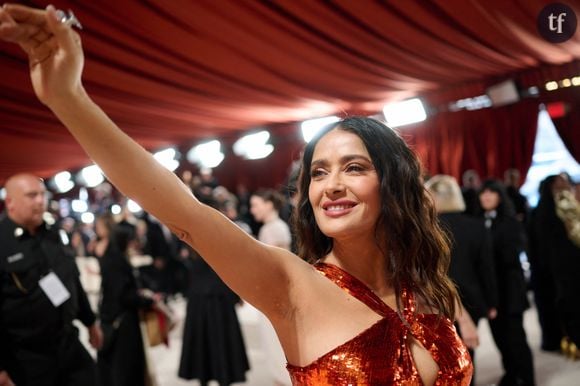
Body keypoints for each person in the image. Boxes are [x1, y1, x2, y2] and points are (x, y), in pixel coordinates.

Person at [0, 6, 472, 385]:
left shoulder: (426, 281)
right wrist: (69, 99)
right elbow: (182, 210)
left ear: (393, 184)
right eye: (318, 173)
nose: (331, 185)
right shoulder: (291, 284)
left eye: (354, 167)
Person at [0, 173, 101, 386]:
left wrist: (90, 322)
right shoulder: (2, 242)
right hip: (28, 358)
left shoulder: (54, 234)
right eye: (31, 195)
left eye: (42, 195)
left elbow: (72, 281)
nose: (40, 201)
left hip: (69, 344)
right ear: (10, 202)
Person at [426, 175, 498, 386]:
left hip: (435, 300)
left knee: (441, 360)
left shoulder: (425, 229)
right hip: (471, 299)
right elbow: (486, 269)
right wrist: (491, 302)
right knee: (467, 356)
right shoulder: (476, 226)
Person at [477, 180, 535, 386]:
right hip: (492, 293)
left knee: (516, 339)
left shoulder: (510, 222)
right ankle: (511, 374)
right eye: (483, 193)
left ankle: (527, 379)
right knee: (500, 338)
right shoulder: (479, 221)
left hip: (510, 290)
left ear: (500, 197)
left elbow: (511, 255)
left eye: (491, 193)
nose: (486, 196)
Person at [98, 225, 155, 386]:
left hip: (112, 319)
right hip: (123, 324)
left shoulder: (110, 258)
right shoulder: (118, 262)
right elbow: (124, 295)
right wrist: (147, 300)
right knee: (125, 368)